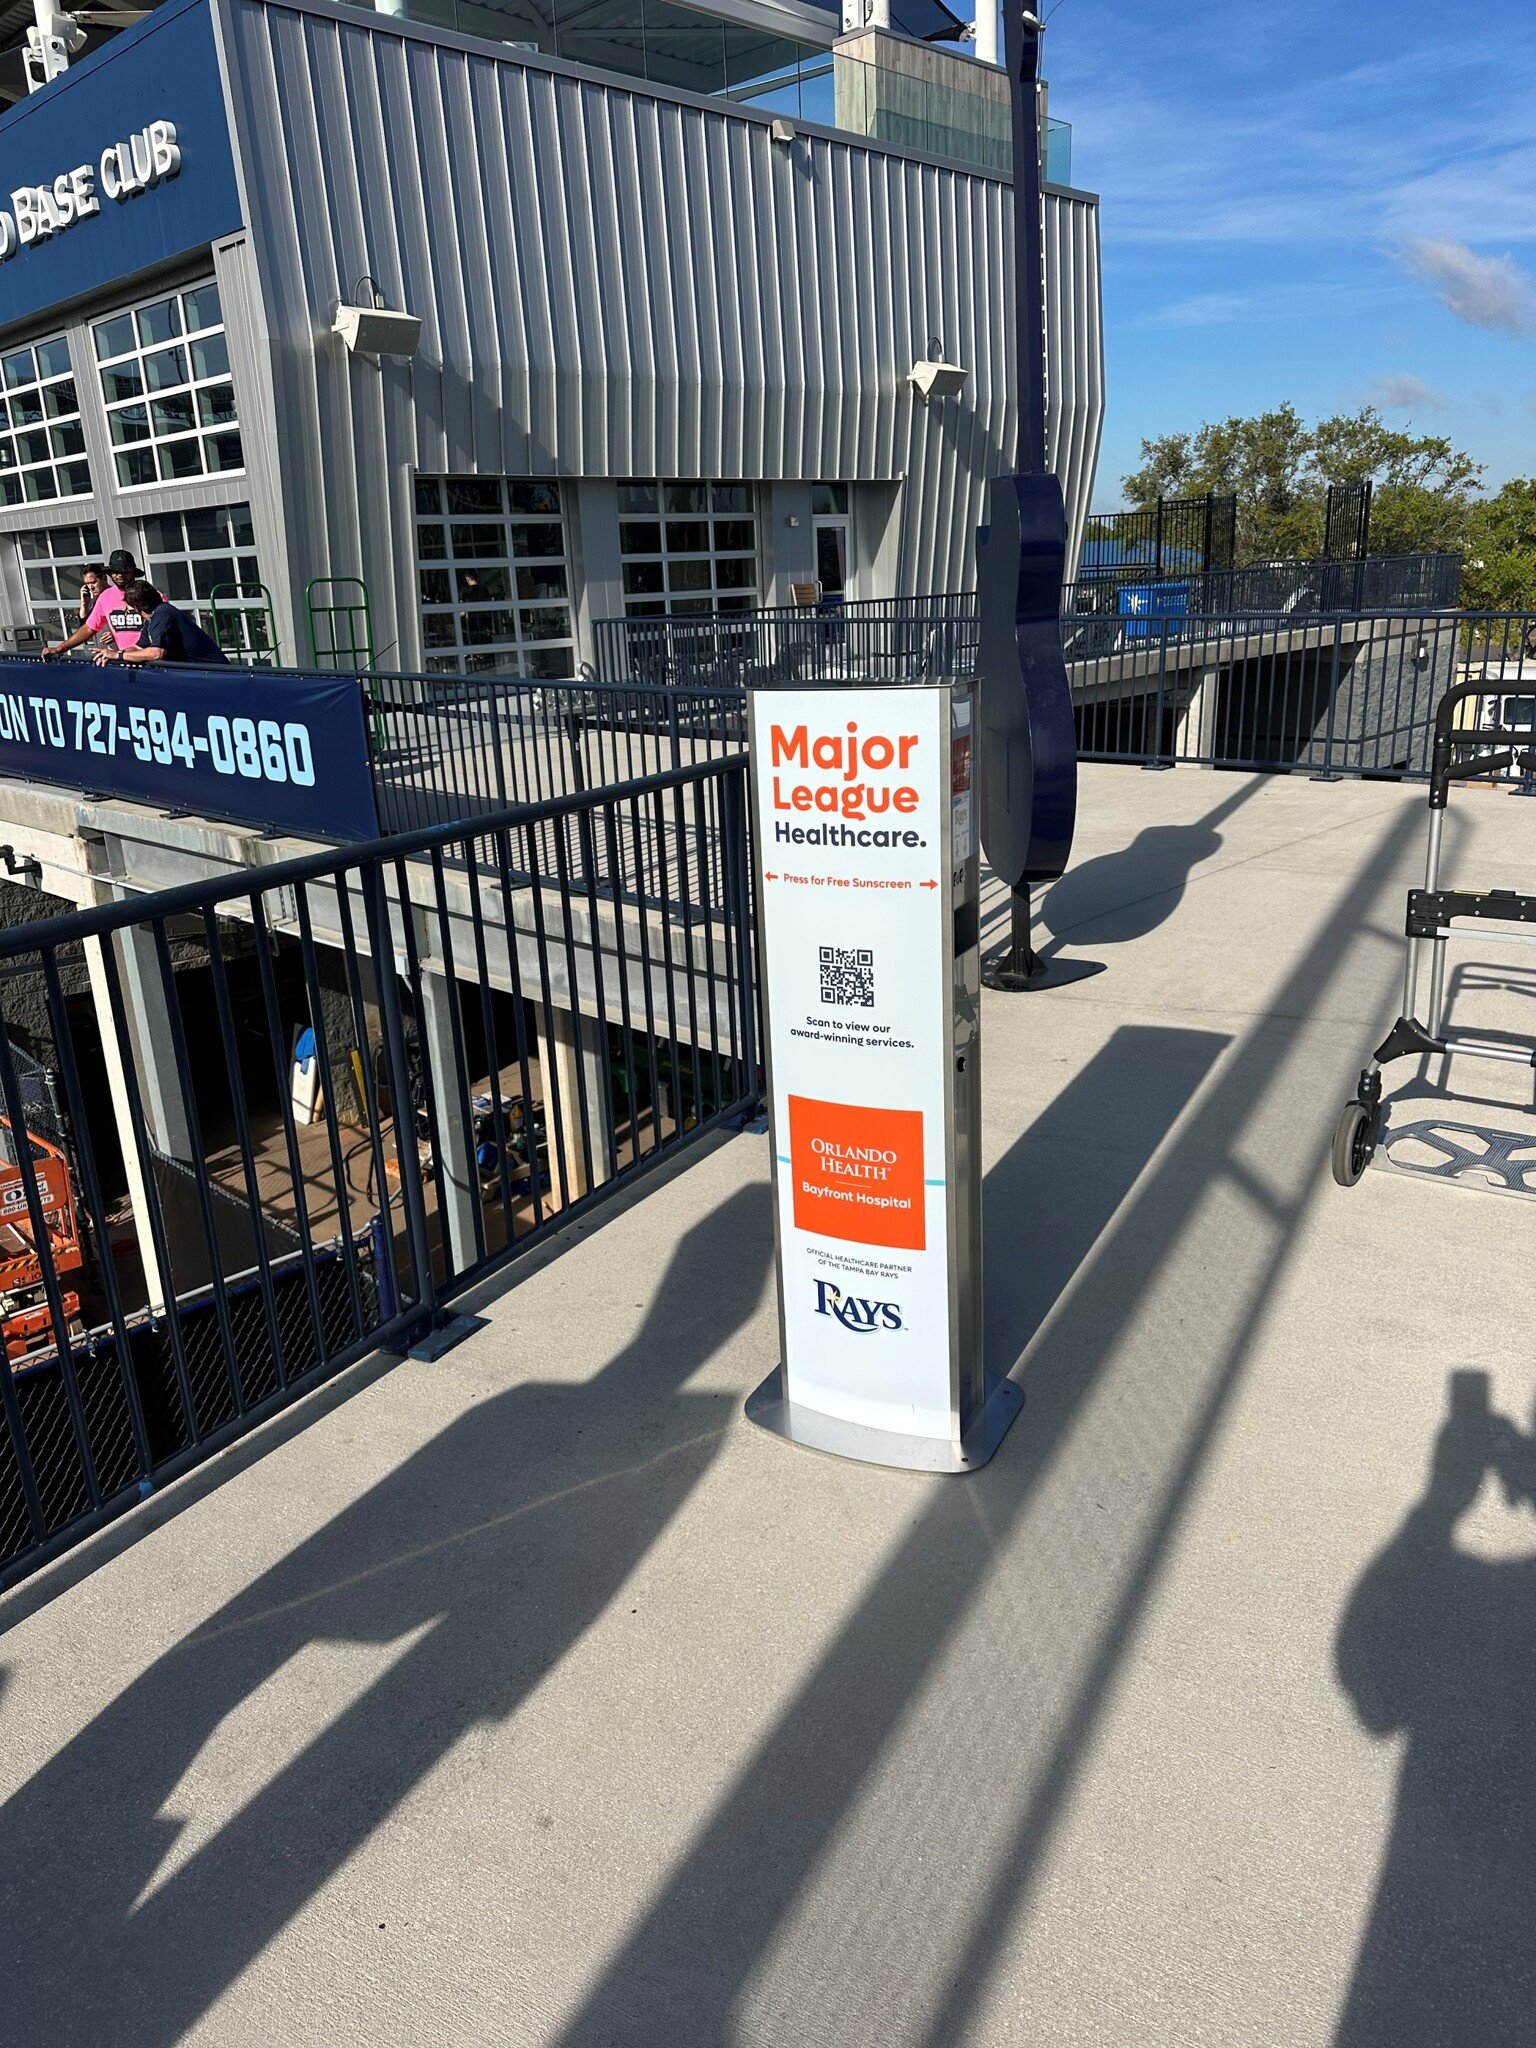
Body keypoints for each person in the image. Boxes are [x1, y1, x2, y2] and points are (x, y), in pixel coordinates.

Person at [42, 549, 155, 659]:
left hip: (152, 661)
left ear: (133, 572)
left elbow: (162, 625)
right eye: (115, 572)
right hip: (122, 660)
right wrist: (60, 648)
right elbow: (88, 628)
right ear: (110, 573)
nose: (119, 575)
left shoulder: (149, 594)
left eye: (125, 571)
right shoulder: (105, 597)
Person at [95, 580, 228, 668]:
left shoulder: (163, 612)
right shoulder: (150, 620)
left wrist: (118, 656)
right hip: (199, 674)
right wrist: (113, 654)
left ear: (135, 607)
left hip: (217, 673)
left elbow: (157, 653)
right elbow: (138, 647)